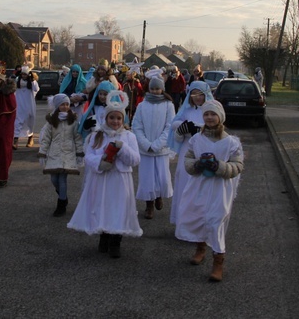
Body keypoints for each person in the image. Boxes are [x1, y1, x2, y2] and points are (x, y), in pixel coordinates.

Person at [175, 100, 244, 282]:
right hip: (199, 186)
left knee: (216, 222)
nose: (209, 117)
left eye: (213, 114)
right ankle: (200, 248)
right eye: (206, 114)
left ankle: (218, 261)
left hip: (219, 189)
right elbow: (188, 160)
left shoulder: (231, 142)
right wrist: (198, 164)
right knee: (199, 217)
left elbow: (237, 165)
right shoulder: (196, 139)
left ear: (220, 117)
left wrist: (219, 166)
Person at [67, 90, 142, 258]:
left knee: (118, 209)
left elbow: (135, 159)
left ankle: (116, 241)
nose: (115, 121)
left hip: (120, 180)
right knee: (104, 207)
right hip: (102, 179)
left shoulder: (129, 136)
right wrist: (101, 161)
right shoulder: (97, 136)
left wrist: (122, 148)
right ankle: (104, 235)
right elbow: (89, 156)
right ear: (106, 119)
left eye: (118, 118)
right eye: (111, 118)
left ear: (123, 120)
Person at [168, 80, 214, 225]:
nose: (198, 97)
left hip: (205, 151)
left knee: (201, 186)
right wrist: (182, 129)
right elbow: (176, 131)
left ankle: (199, 222)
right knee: (184, 183)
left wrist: (199, 128)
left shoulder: (210, 111)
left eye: (201, 94)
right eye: (194, 94)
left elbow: (216, 129)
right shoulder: (186, 110)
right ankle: (183, 221)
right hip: (187, 150)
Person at [132, 76, 175, 220]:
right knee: (147, 179)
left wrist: (157, 144)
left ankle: (159, 196)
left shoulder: (168, 105)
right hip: (146, 150)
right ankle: (148, 204)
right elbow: (136, 126)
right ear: (149, 89)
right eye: (153, 88)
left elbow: (170, 126)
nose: (155, 91)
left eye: (158, 89)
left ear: (162, 89)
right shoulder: (142, 106)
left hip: (161, 149)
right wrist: (145, 144)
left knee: (161, 177)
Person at [38, 93, 84, 216]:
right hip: (54, 152)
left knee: (62, 179)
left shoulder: (73, 120)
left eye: (67, 104)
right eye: (62, 104)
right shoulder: (52, 121)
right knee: (54, 179)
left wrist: (80, 153)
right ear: (57, 106)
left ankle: (61, 204)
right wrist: (42, 152)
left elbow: (77, 138)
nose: (65, 107)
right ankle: (62, 195)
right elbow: (46, 138)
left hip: (68, 153)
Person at [13, 65, 39, 149]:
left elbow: (36, 89)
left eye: (25, 74)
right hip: (19, 103)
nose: (23, 76)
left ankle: (30, 138)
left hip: (29, 104)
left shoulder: (31, 82)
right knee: (18, 121)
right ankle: (15, 139)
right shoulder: (18, 80)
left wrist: (33, 80)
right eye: (22, 74)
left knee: (29, 121)